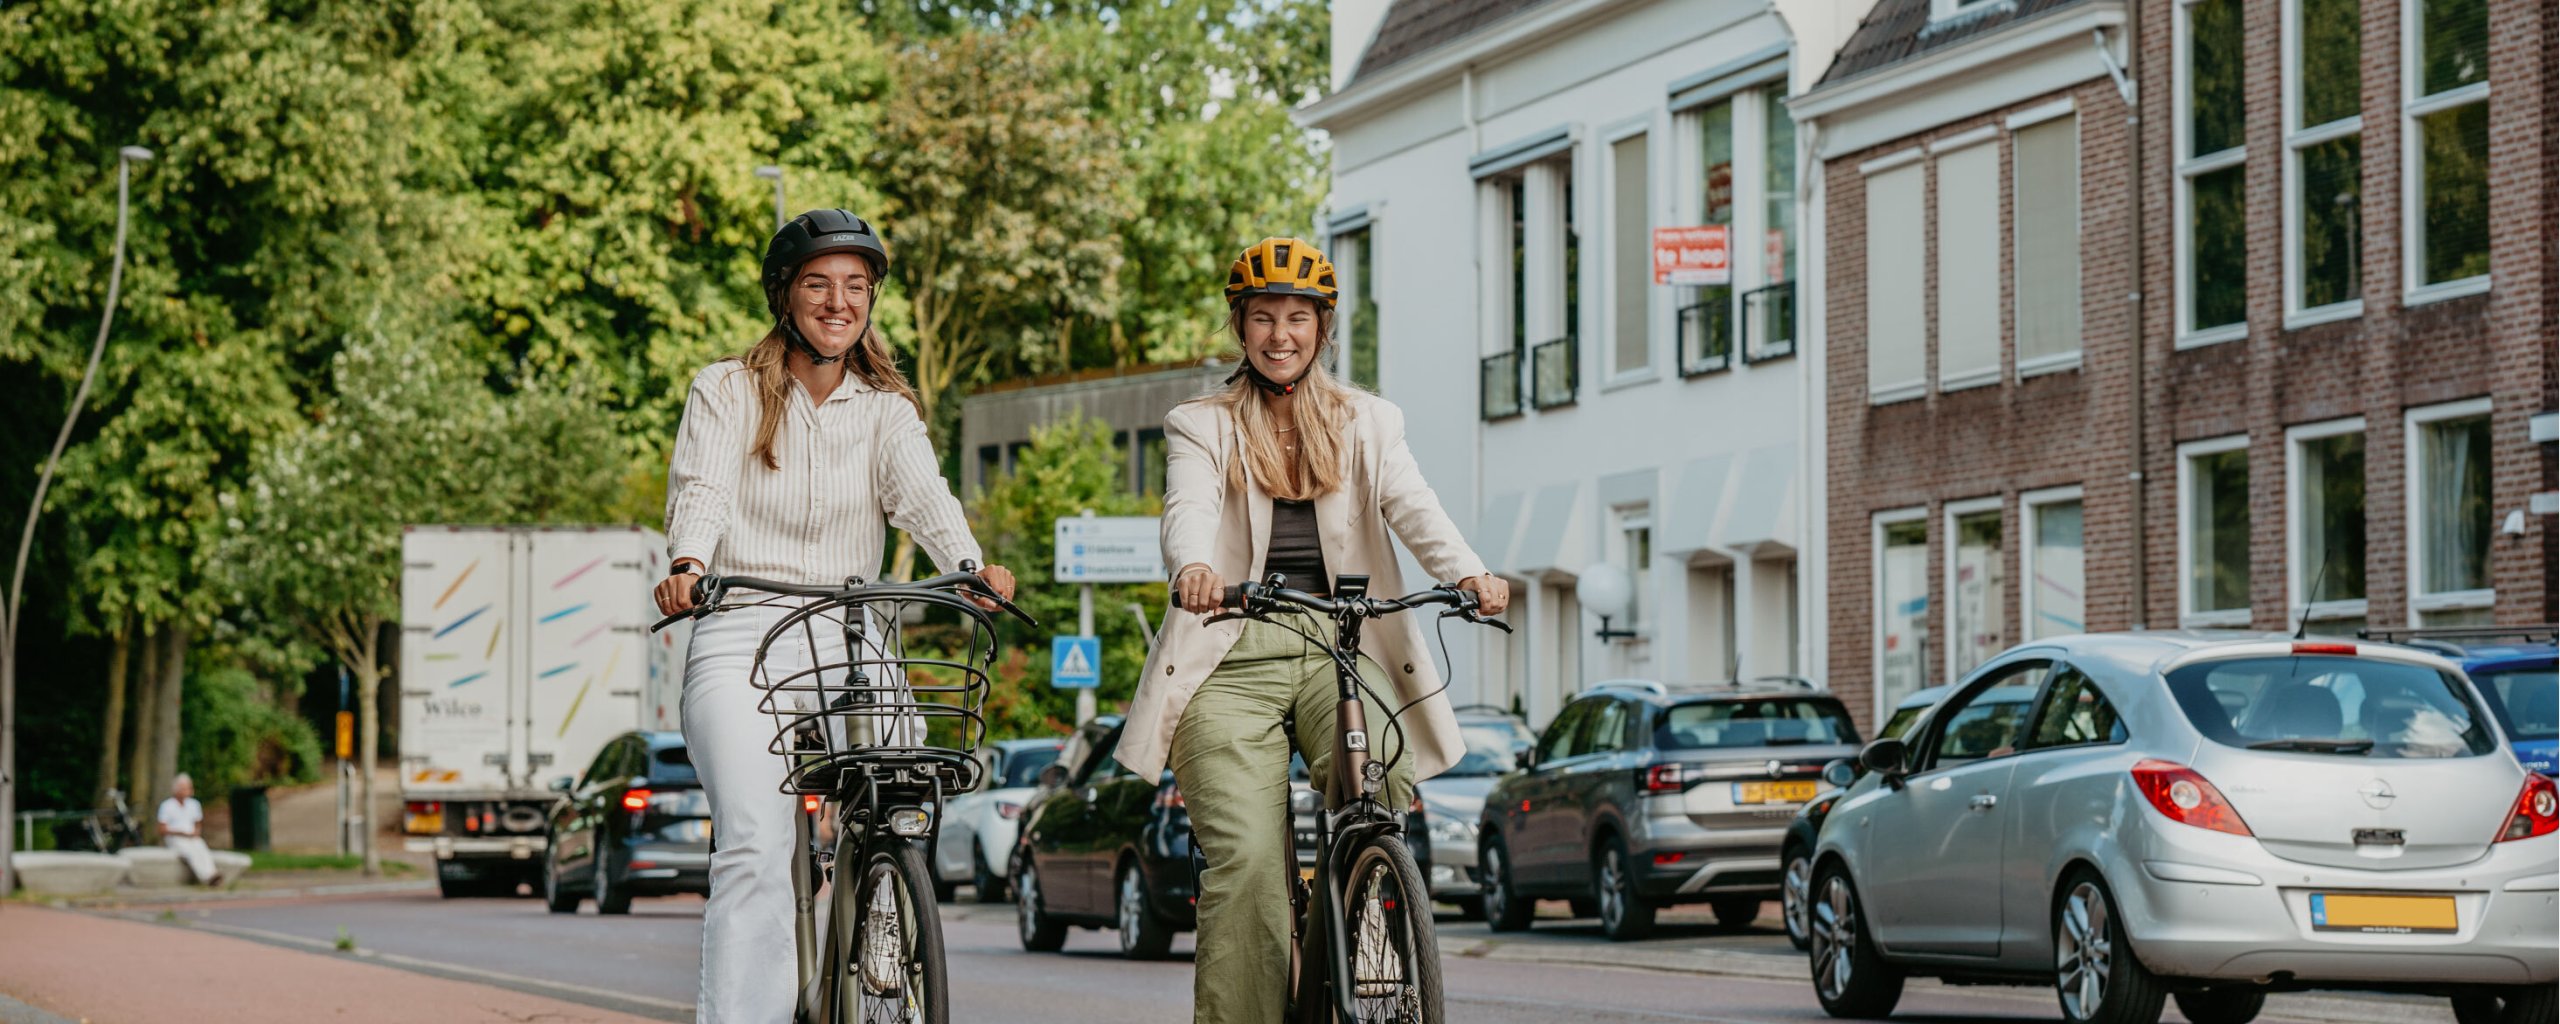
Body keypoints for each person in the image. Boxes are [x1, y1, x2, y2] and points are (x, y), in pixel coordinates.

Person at [1115, 237, 1510, 1023]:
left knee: (1380, 793)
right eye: (1263, 318)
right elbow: (1186, 507)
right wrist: (1193, 566)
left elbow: (1412, 504)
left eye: (1298, 318)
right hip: (1232, 649)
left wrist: (1468, 570)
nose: (1281, 334)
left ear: (1323, 328)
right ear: (1240, 327)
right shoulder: (1202, 424)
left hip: (1344, 643)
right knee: (1251, 862)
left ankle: (1367, 932)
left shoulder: (1368, 421)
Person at [653, 208, 1016, 1024]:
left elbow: (922, 496)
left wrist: (968, 564)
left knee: (905, 801)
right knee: (754, 841)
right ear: (786, 295)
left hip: (853, 635)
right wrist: (689, 565)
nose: (838, 302)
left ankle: (883, 939)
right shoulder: (728, 389)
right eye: (819, 284)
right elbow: (704, 488)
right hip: (743, 628)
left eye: (855, 286)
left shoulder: (884, 408)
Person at [156, 773, 220, 885]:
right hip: (175, 838)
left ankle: (213, 873)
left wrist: (196, 832)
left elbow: (197, 823)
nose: (187, 791)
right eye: (184, 788)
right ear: (176, 790)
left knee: (202, 848)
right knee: (191, 852)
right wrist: (180, 833)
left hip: (191, 837)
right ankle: (205, 877)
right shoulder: (167, 805)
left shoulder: (194, 804)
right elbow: (162, 829)